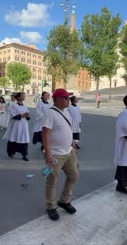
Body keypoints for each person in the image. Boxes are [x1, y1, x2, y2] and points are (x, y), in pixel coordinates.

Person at [42, 88, 79, 221]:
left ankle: (64, 200)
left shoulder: (66, 112)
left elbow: (68, 129)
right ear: (58, 99)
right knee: (52, 181)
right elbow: (45, 134)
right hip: (55, 154)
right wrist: (48, 154)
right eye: (66, 98)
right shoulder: (50, 113)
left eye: (68, 98)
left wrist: (73, 144)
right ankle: (51, 206)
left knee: (74, 176)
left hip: (69, 152)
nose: (68, 100)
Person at [3, 92, 30, 161]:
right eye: (22, 96)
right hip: (16, 125)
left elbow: (27, 114)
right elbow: (13, 115)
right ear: (18, 97)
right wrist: (22, 115)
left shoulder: (25, 105)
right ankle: (10, 152)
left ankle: (24, 155)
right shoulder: (13, 105)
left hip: (24, 125)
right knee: (13, 138)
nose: (24, 97)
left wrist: (27, 116)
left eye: (24, 96)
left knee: (24, 139)